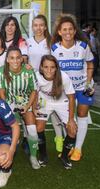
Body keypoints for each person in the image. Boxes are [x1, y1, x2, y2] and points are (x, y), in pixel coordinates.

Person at [51, 14, 94, 161]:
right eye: (64, 29)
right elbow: (52, 70)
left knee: (82, 116)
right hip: (65, 91)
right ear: (59, 32)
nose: (68, 32)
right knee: (67, 119)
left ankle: (78, 149)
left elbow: (90, 64)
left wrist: (88, 83)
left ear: (75, 31)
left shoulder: (83, 46)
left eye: (70, 29)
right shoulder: (55, 49)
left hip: (83, 87)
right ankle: (69, 145)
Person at [0, 46, 40, 169]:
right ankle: (6, 151)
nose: (15, 61)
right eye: (12, 58)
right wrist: (7, 110)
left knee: (32, 130)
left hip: (26, 102)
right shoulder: (1, 72)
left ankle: (33, 156)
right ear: (7, 60)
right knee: (8, 130)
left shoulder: (29, 72)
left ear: (22, 59)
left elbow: (33, 91)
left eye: (18, 58)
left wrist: (27, 106)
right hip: (9, 103)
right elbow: (2, 94)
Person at [27, 14, 64, 153]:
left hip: (50, 81)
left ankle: (59, 138)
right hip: (34, 83)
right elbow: (25, 60)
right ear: (32, 26)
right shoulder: (28, 41)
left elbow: (55, 63)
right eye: (35, 25)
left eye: (41, 25)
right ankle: (33, 142)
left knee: (55, 113)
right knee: (37, 113)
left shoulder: (51, 43)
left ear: (45, 26)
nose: (38, 28)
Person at [34, 55, 77, 169]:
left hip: (62, 102)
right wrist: (34, 107)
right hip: (44, 102)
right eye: (46, 67)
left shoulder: (64, 77)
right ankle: (43, 155)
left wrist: (71, 120)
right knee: (38, 128)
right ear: (41, 67)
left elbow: (72, 98)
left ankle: (64, 156)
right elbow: (35, 93)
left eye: (52, 67)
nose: (49, 70)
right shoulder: (36, 76)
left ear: (56, 68)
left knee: (72, 130)